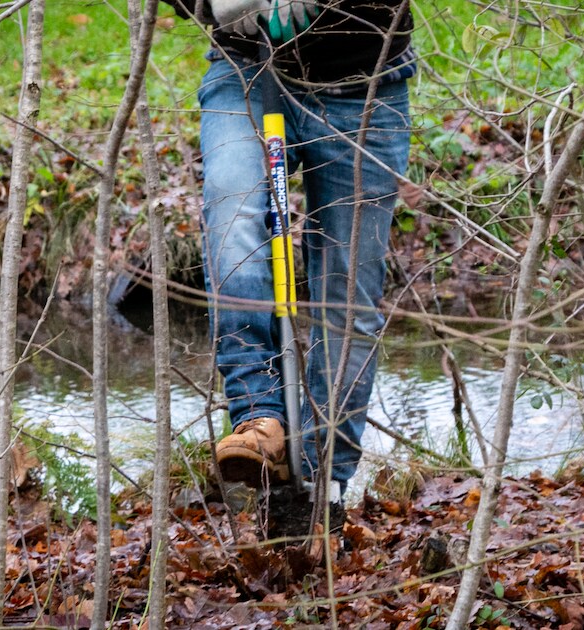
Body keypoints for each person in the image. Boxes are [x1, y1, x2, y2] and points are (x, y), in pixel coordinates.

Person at [159, 0, 415, 503]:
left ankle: (324, 483)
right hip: (246, 74)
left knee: (347, 295)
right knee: (233, 228)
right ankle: (260, 424)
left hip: (366, 84)